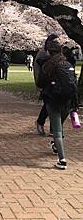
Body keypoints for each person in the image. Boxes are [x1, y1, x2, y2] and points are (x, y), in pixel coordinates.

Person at [37, 38, 77, 170]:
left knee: (57, 131)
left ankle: (62, 160)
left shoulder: (48, 65)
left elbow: (40, 83)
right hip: (68, 101)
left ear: (49, 51)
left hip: (53, 100)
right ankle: (55, 145)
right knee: (59, 127)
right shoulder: (67, 64)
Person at [34, 34, 59, 136]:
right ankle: (42, 123)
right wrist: (39, 84)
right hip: (46, 84)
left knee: (55, 107)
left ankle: (53, 129)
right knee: (49, 106)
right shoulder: (43, 55)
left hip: (57, 84)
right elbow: (37, 70)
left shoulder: (59, 56)